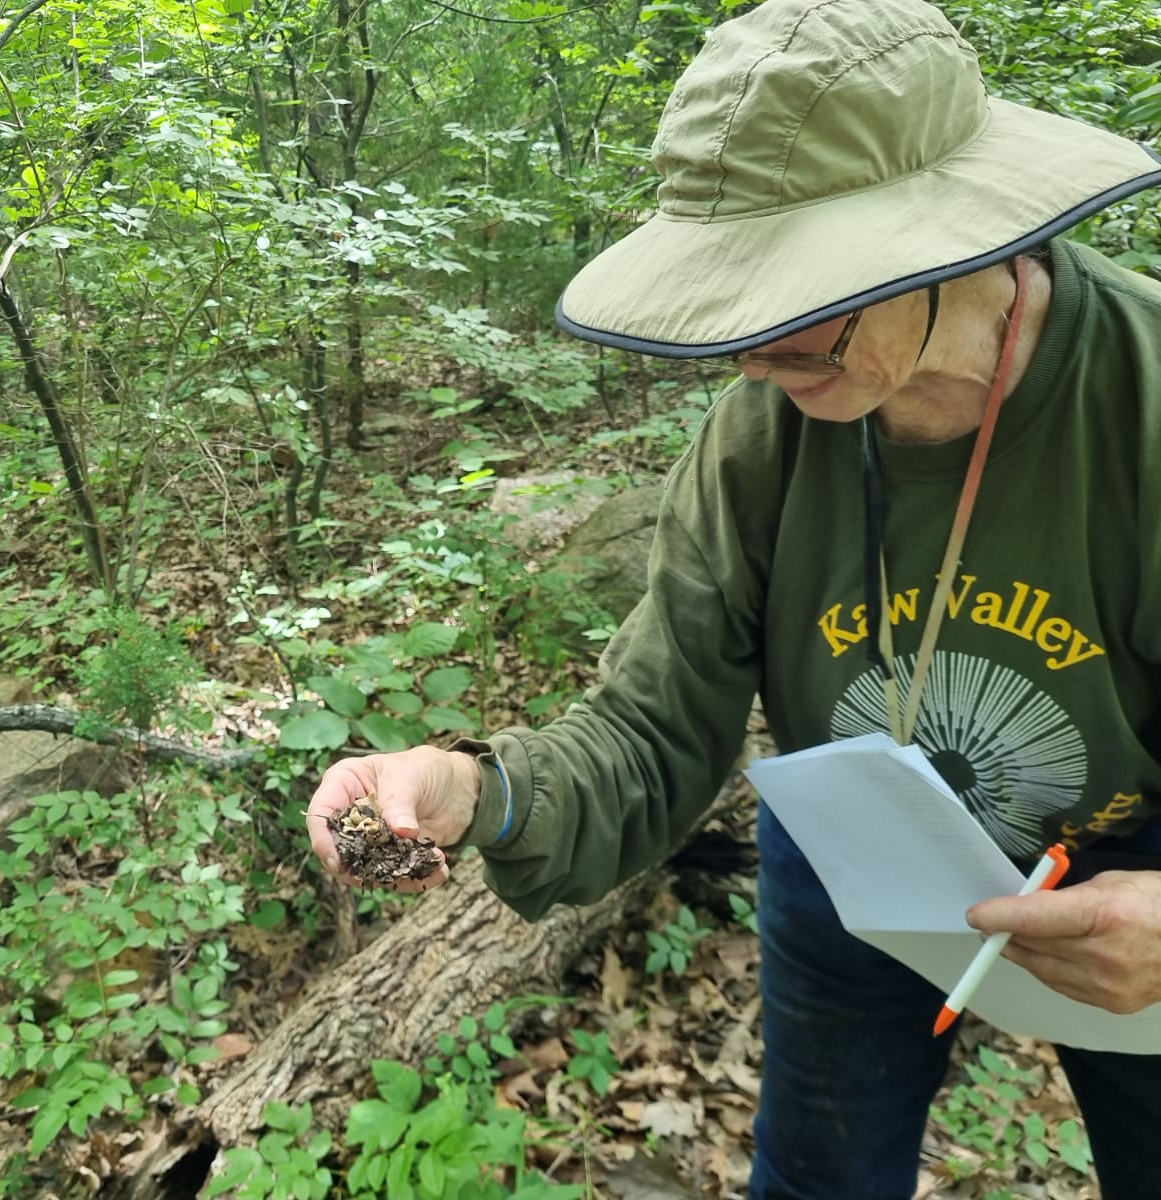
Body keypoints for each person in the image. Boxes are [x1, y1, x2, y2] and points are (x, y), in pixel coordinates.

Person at [307, 1, 1161, 1196]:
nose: (749, 349)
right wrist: (475, 791)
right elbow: (655, 726)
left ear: (952, 239)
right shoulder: (762, 433)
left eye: (802, 292)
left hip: (1121, 869)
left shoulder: (1139, 403)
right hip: (860, 851)